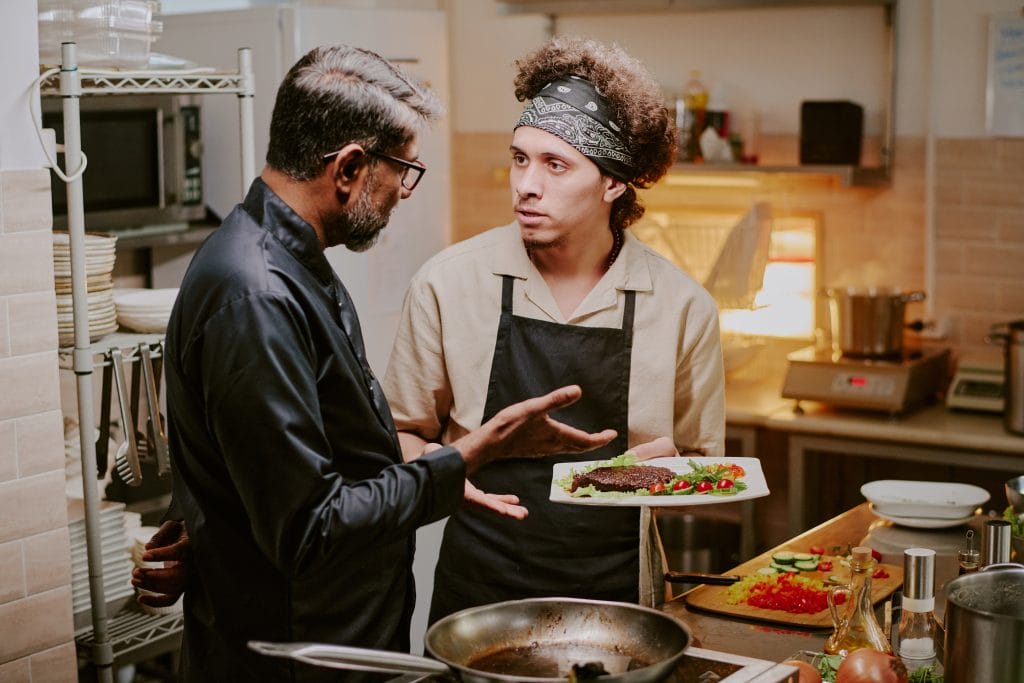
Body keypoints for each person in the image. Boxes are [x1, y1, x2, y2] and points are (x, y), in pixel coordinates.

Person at [150, 44, 616, 682]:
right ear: (348, 167)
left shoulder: (290, 262)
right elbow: (309, 529)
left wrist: (194, 526)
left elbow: (266, 459)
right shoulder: (256, 295)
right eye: (402, 169)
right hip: (298, 658)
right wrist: (469, 455)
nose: (403, 191)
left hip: (342, 637)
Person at [381, 35, 726, 624]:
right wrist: (442, 473)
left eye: (555, 165)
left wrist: (666, 477)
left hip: (618, 597)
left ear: (614, 183)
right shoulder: (448, 283)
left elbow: (702, 465)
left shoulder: (682, 307)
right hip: (479, 592)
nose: (526, 185)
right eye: (520, 158)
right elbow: (401, 432)